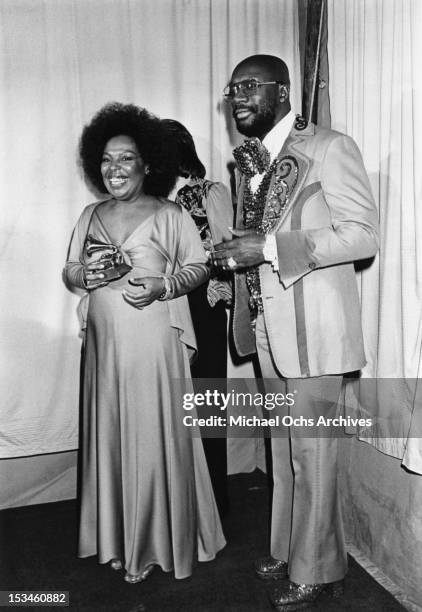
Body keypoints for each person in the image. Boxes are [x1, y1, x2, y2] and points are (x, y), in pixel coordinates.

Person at [211, 55, 378, 610]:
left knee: (314, 453)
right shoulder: (247, 163)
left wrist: (269, 249)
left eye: (250, 86)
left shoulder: (330, 146)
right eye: (233, 88)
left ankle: (319, 568)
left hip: (316, 332)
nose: (238, 96)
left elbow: (361, 236)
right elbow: (254, 240)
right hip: (265, 326)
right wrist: (234, 263)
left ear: (282, 91)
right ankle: (288, 548)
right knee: (283, 450)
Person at [64, 102, 225, 584]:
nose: (115, 168)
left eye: (126, 158)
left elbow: (198, 268)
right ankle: (115, 539)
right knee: (111, 434)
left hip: (155, 344)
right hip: (105, 348)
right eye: (107, 160)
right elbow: (71, 269)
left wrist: (165, 286)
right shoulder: (90, 214)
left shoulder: (170, 213)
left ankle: (153, 545)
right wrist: (85, 272)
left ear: (148, 163)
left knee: (154, 437)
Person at [161, 119, 233, 518]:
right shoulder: (149, 201)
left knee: (206, 404)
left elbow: (228, 252)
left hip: (201, 306)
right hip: (163, 310)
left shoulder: (209, 193)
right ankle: (177, 506)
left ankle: (215, 509)